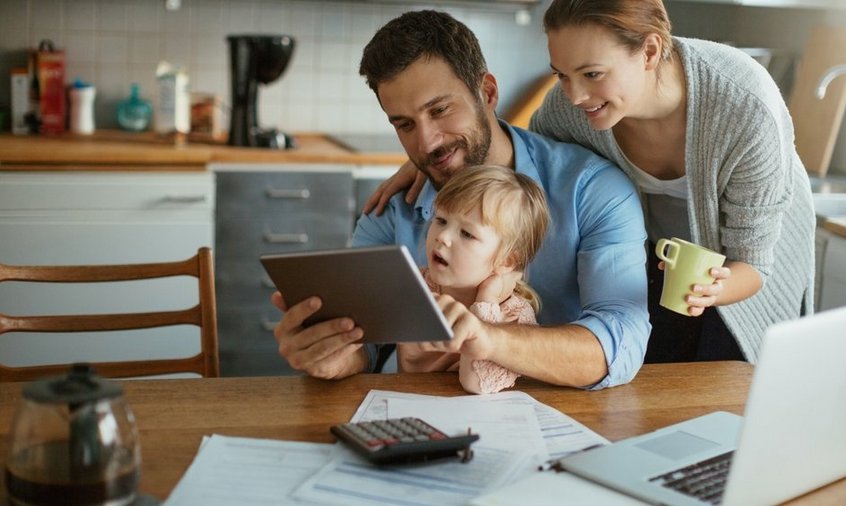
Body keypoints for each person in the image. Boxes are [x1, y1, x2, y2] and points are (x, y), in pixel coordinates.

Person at [368, 0, 816, 365]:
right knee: (659, 374)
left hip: (744, 265)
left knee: (734, 379)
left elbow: (755, 263)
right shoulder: (571, 109)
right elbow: (522, 158)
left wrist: (715, 288)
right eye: (563, 75)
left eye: (592, 74)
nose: (575, 94)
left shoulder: (744, 106)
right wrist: (435, 157)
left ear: (650, 52)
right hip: (663, 260)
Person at [271, 9, 651, 390]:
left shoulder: (592, 190)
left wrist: (489, 340)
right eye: (404, 124)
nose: (427, 143)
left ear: (487, 92)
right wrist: (333, 355)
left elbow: (621, 341)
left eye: (439, 110)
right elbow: (365, 342)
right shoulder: (390, 211)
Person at [400, 164, 550, 394]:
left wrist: (485, 304)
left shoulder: (513, 316)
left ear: (507, 261)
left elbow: (475, 384)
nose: (443, 237)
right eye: (440, 220)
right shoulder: (418, 286)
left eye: (467, 234)